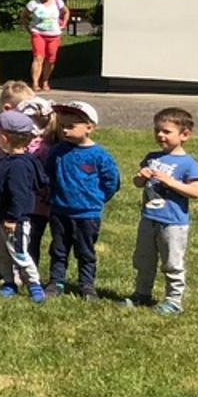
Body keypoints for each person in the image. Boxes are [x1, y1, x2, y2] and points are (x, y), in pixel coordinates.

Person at [127, 107, 198, 315]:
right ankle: (142, 293)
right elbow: (137, 183)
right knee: (143, 259)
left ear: (184, 135)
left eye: (166, 131)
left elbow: (196, 191)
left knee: (172, 262)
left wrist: (171, 182)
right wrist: (141, 176)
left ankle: (174, 300)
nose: (160, 135)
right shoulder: (152, 157)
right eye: (157, 130)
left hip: (173, 223)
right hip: (149, 218)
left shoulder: (188, 163)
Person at [44, 101, 120, 300]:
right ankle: (56, 281)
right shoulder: (58, 151)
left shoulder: (99, 155)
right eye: (62, 126)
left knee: (85, 251)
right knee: (59, 249)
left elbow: (111, 180)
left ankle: (86, 284)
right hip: (60, 210)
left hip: (87, 213)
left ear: (89, 127)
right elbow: (49, 173)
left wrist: (98, 198)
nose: (65, 130)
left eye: (71, 126)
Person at [0, 110, 47, 302]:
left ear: (4, 138)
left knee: (19, 253)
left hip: (15, 220)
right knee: (2, 254)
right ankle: (8, 282)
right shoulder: (9, 159)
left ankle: (34, 285)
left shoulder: (19, 165)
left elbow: (19, 194)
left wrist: (13, 218)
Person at [22, 0, 69, 93]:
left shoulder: (57, 2)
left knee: (51, 59)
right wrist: (28, 28)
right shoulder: (33, 4)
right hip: (38, 33)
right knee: (38, 57)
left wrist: (64, 23)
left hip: (54, 34)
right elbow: (24, 16)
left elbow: (66, 12)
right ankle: (35, 83)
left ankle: (45, 81)